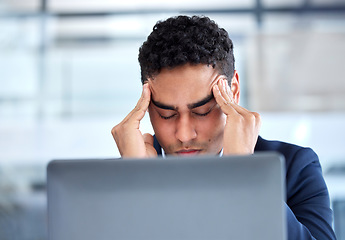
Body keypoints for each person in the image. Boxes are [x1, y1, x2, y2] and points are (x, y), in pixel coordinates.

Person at [111, 15, 336, 239]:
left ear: (233, 91)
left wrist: (246, 176)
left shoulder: (296, 168)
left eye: (202, 111)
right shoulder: (108, 183)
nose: (184, 134)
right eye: (167, 115)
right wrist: (136, 186)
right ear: (148, 106)